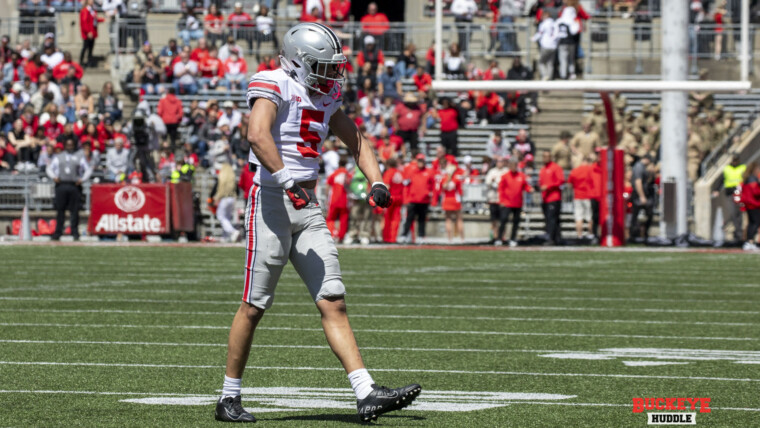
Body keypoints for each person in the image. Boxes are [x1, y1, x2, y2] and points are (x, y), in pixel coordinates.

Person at [215, 22, 420, 424]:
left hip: (307, 206)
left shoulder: (326, 96)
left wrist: (376, 178)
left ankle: (366, 392)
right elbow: (257, 135)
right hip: (272, 202)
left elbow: (356, 138)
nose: (331, 74)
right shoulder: (274, 82)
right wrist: (288, 181)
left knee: (333, 300)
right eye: (323, 66)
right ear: (297, 62)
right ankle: (228, 397)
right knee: (254, 306)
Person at [46, 136, 93, 240]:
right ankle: (58, 232)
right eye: (68, 145)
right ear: (65, 145)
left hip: (74, 185)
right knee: (60, 210)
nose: (69, 146)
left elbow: (88, 169)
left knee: (75, 210)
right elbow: (49, 168)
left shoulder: (79, 156)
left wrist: (82, 179)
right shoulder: (58, 156)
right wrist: (54, 177)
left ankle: (75, 233)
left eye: (71, 145)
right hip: (61, 185)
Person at [497, 158, 532, 247]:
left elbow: (525, 186)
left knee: (516, 222)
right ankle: (499, 238)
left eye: (515, 165)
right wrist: (501, 201)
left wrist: (530, 189)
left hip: (517, 203)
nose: (513, 167)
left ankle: (512, 238)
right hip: (507, 203)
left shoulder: (521, 176)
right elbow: (501, 189)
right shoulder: (505, 176)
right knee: (503, 220)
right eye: (511, 165)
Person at [401, 153, 434, 243]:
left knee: (422, 219)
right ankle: (404, 235)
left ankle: (421, 236)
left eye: (422, 160)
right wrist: (406, 199)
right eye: (419, 160)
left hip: (424, 200)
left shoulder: (429, 171)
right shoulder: (411, 171)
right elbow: (406, 185)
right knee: (409, 219)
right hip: (413, 200)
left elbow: (433, 185)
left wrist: (430, 195)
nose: (420, 162)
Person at [539, 150, 565, 245]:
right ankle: (557, 238)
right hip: (545, 198)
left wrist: (548, 186)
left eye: (547, 156)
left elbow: (561, 181)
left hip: (554, 198)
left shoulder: (556, 168)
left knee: (552, 219)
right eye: (544, 156)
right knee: (550, 219)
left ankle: (550, 238)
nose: (545, 158)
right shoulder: (543, 169)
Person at [629, 154, 655, 241]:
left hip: (640, 195)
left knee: (645, 215)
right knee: (636, 216)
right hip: (638, 195)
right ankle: (634, 236)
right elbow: (638, 182)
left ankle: (640, 235)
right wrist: (642, 196)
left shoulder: (641, 167)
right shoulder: (639, 167)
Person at [438, 158, 464, 242]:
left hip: (447, 199)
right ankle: (462, 238)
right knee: (459, 218)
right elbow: (459, 190)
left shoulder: (444, 178)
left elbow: (443, 187)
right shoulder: (455, 178)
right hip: (455, 200)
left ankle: (450, 239)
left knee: (448, 219)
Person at [568, 156, 594, 239]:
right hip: (588, 196)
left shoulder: (575, 171)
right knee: (589, 217)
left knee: (579, 217)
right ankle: (590, 234)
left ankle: (579, 235)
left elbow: (569, 184)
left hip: (577, 196)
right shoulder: (591, 170)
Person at [326, 157, 351, 242]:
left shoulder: (334, 173)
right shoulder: (348, 174)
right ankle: (341, 236)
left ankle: (331, 234)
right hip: (344, 199)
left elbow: (328, 186)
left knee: (331, 218)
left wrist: (326, 198)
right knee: (344, 218)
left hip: (334, 199)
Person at [214, 163, 240, 242]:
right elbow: (237, 190)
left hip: (225, 198)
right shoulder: (232, 178)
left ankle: (233, 232)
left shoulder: (222, 177)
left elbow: (218, 189)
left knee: (220, 216)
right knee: (227, 218)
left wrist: (216, 198)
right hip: (232, 198)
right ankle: (225, 236)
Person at [382, 157, 404, 243]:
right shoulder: (399, 172)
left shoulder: (389, 172)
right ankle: (393, 237)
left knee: (387, 218)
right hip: (399, 197)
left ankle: (387, 237)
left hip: (390, 198)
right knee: (396, 219)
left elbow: (386, 186)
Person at [486, 156, 507, 243]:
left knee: (503, 219)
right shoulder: (492, 171)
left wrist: (497, 182)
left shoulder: (506, 171)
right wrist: (492, 181)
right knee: (494, 220)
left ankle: (502, 236)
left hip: (502, 200)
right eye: (498, 161)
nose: (499, 163)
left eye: (501, 161)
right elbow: (488, 182)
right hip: (493, 199)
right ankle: (495, 236)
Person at [741, 162, 760, 251]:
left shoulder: (747, 178)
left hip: (749, 204)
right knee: (755, 223)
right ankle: (749, 242)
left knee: (752, 223)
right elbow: (756, 192)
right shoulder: (753, 179)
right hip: (754, 204)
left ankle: (750, 242)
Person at [533, 12, 558, 80]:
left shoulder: (544, 24)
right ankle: (549, 78)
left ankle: (544, 75)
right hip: (553, 46)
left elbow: (539, 33)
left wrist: (533, 38)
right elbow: (557, 34)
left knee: (541, 62)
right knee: (550, 63)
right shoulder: (555, 23)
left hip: (546, 45)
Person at [79, 0, 103, 68]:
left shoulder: (92, 10)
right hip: (88, 33)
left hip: (93, 32)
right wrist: (88, 31)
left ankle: (89, 62)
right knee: (85, 47)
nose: (92, 1)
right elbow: (84, 22)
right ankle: (81, 61)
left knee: (91, 48)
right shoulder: (85, 10)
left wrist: (103, 20)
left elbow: (95, 20)